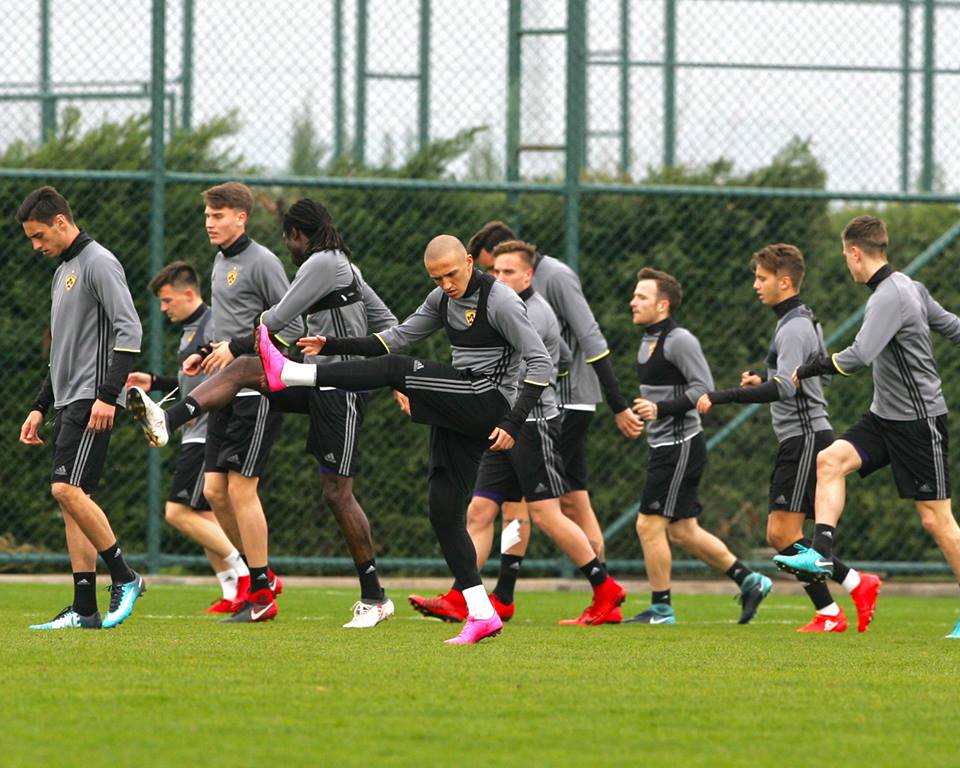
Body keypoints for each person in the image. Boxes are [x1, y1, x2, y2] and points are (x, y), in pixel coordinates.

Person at [256, 234, 555, 644]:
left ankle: (291, 373)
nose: (446, 284)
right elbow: (394, 337)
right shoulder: (441, 300)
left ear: (469, 262)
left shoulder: (500, 300)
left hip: (490, 401)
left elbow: (541, 361)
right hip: (462, 404)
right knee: (443, 511)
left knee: (397, 370)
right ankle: (482, 614)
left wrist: (515, 422)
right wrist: (334, 344)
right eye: (437, 278)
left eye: (451, 274)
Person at [129, 199, 397, 628]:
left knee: (337, 493)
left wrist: (375, 372)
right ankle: (170, 419)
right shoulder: (343, 263)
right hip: (314, 378)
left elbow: (277, 318)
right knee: (243, 374)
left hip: (340, 389)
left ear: (296, 235)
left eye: (288, 238)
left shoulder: (321, 262)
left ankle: (375, 596)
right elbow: (388, 323)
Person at [410, 240, 629, 625]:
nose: (500, 278)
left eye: (509, 272)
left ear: (528, 275)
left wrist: (523, 392)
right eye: (496, 271)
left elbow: (557, 359)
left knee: (545, 514)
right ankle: (464, 594)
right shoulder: (494, 303)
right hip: (499, 423)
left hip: (532, 422)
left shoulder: (531, 311)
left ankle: (604, 586)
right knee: (480, 510)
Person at [773, 216, 960, 639]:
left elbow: (858, 357)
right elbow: (952, 326)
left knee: (937, 520)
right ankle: (821, 552)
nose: (847, 263)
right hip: (883, 418)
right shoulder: (908, 286)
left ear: (856, 253)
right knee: (830, 460)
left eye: (845, 256)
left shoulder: (889, 296)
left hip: (919, 421)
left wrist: (811, 367)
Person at [697, 244, 881, 632]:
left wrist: (722, 395)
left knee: (781, 534)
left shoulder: (794, 326)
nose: (755, 285)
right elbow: (810, 378)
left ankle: (845, 595)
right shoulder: (801, 321)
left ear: (784, 281)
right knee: (786, 534)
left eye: (761, 278)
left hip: (804, 438)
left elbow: (786, 388)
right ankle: (839, 602)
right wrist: (764, 382)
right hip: (806, 436)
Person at [467, 222, 642, 622]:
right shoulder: (510, 295)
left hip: (563, 406)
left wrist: (616, 404)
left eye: (497, 269)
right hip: (527, 412)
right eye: (490, 272)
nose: (491, 278)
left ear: (521, 267)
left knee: (555, 507)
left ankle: (602, 588)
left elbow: (589, 339)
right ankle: (491, 595)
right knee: (517, 505)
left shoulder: (555, 279)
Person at [17, 186, 146, 630]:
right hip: (67, 400)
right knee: (74, 501)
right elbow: (62, 352)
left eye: (38, 236)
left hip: (92, 401)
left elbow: (130, 331)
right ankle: (85, 608)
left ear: (60, 222)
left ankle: (126, 577)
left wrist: (107, 396)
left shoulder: (99, 262)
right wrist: (39, 406)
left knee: (65, 490)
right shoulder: (62, 273)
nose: (36, 246)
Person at [629, 268, 773, 625]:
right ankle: (749, 580)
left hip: (680, 445)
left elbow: (702, 389)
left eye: (641, 297)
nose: (633, 301)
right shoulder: (648, 340)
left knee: (648, 526)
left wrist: (659, 409)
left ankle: (661, 608)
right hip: (666, 444)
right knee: (683, 531)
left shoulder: (679, 340)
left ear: (663, 305)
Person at [127, 261, 251, 614]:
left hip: (208, 431)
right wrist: (155, 382)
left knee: (178, 513)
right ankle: (232, 593)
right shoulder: (190, 329)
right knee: (204, 517)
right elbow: (194, 380)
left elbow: (227, 378)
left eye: (167, 301)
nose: (164, 308)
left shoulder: (213, 324)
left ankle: (251, 576)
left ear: (188, 293)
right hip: (194, 432)